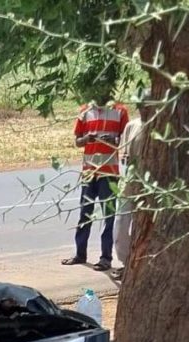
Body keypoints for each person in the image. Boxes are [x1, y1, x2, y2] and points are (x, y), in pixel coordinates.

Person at [63, 92, 129, 270]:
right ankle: (80, 253)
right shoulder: (85, 111)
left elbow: (125, 140)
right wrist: (87, 139)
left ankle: (105, 258)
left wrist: (113, 140)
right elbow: (77, 141)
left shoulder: (120, 111)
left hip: (109, 172)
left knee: (109, 216)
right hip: (89, 171)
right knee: (85, 213)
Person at [112, 110, 144, 279]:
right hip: (128, 184)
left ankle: (138, 266)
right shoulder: (132, 126)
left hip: (148, 187)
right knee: (120, 227)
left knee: (143, 228)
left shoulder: (158, 125)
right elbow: (124, 157)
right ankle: (126, 261)